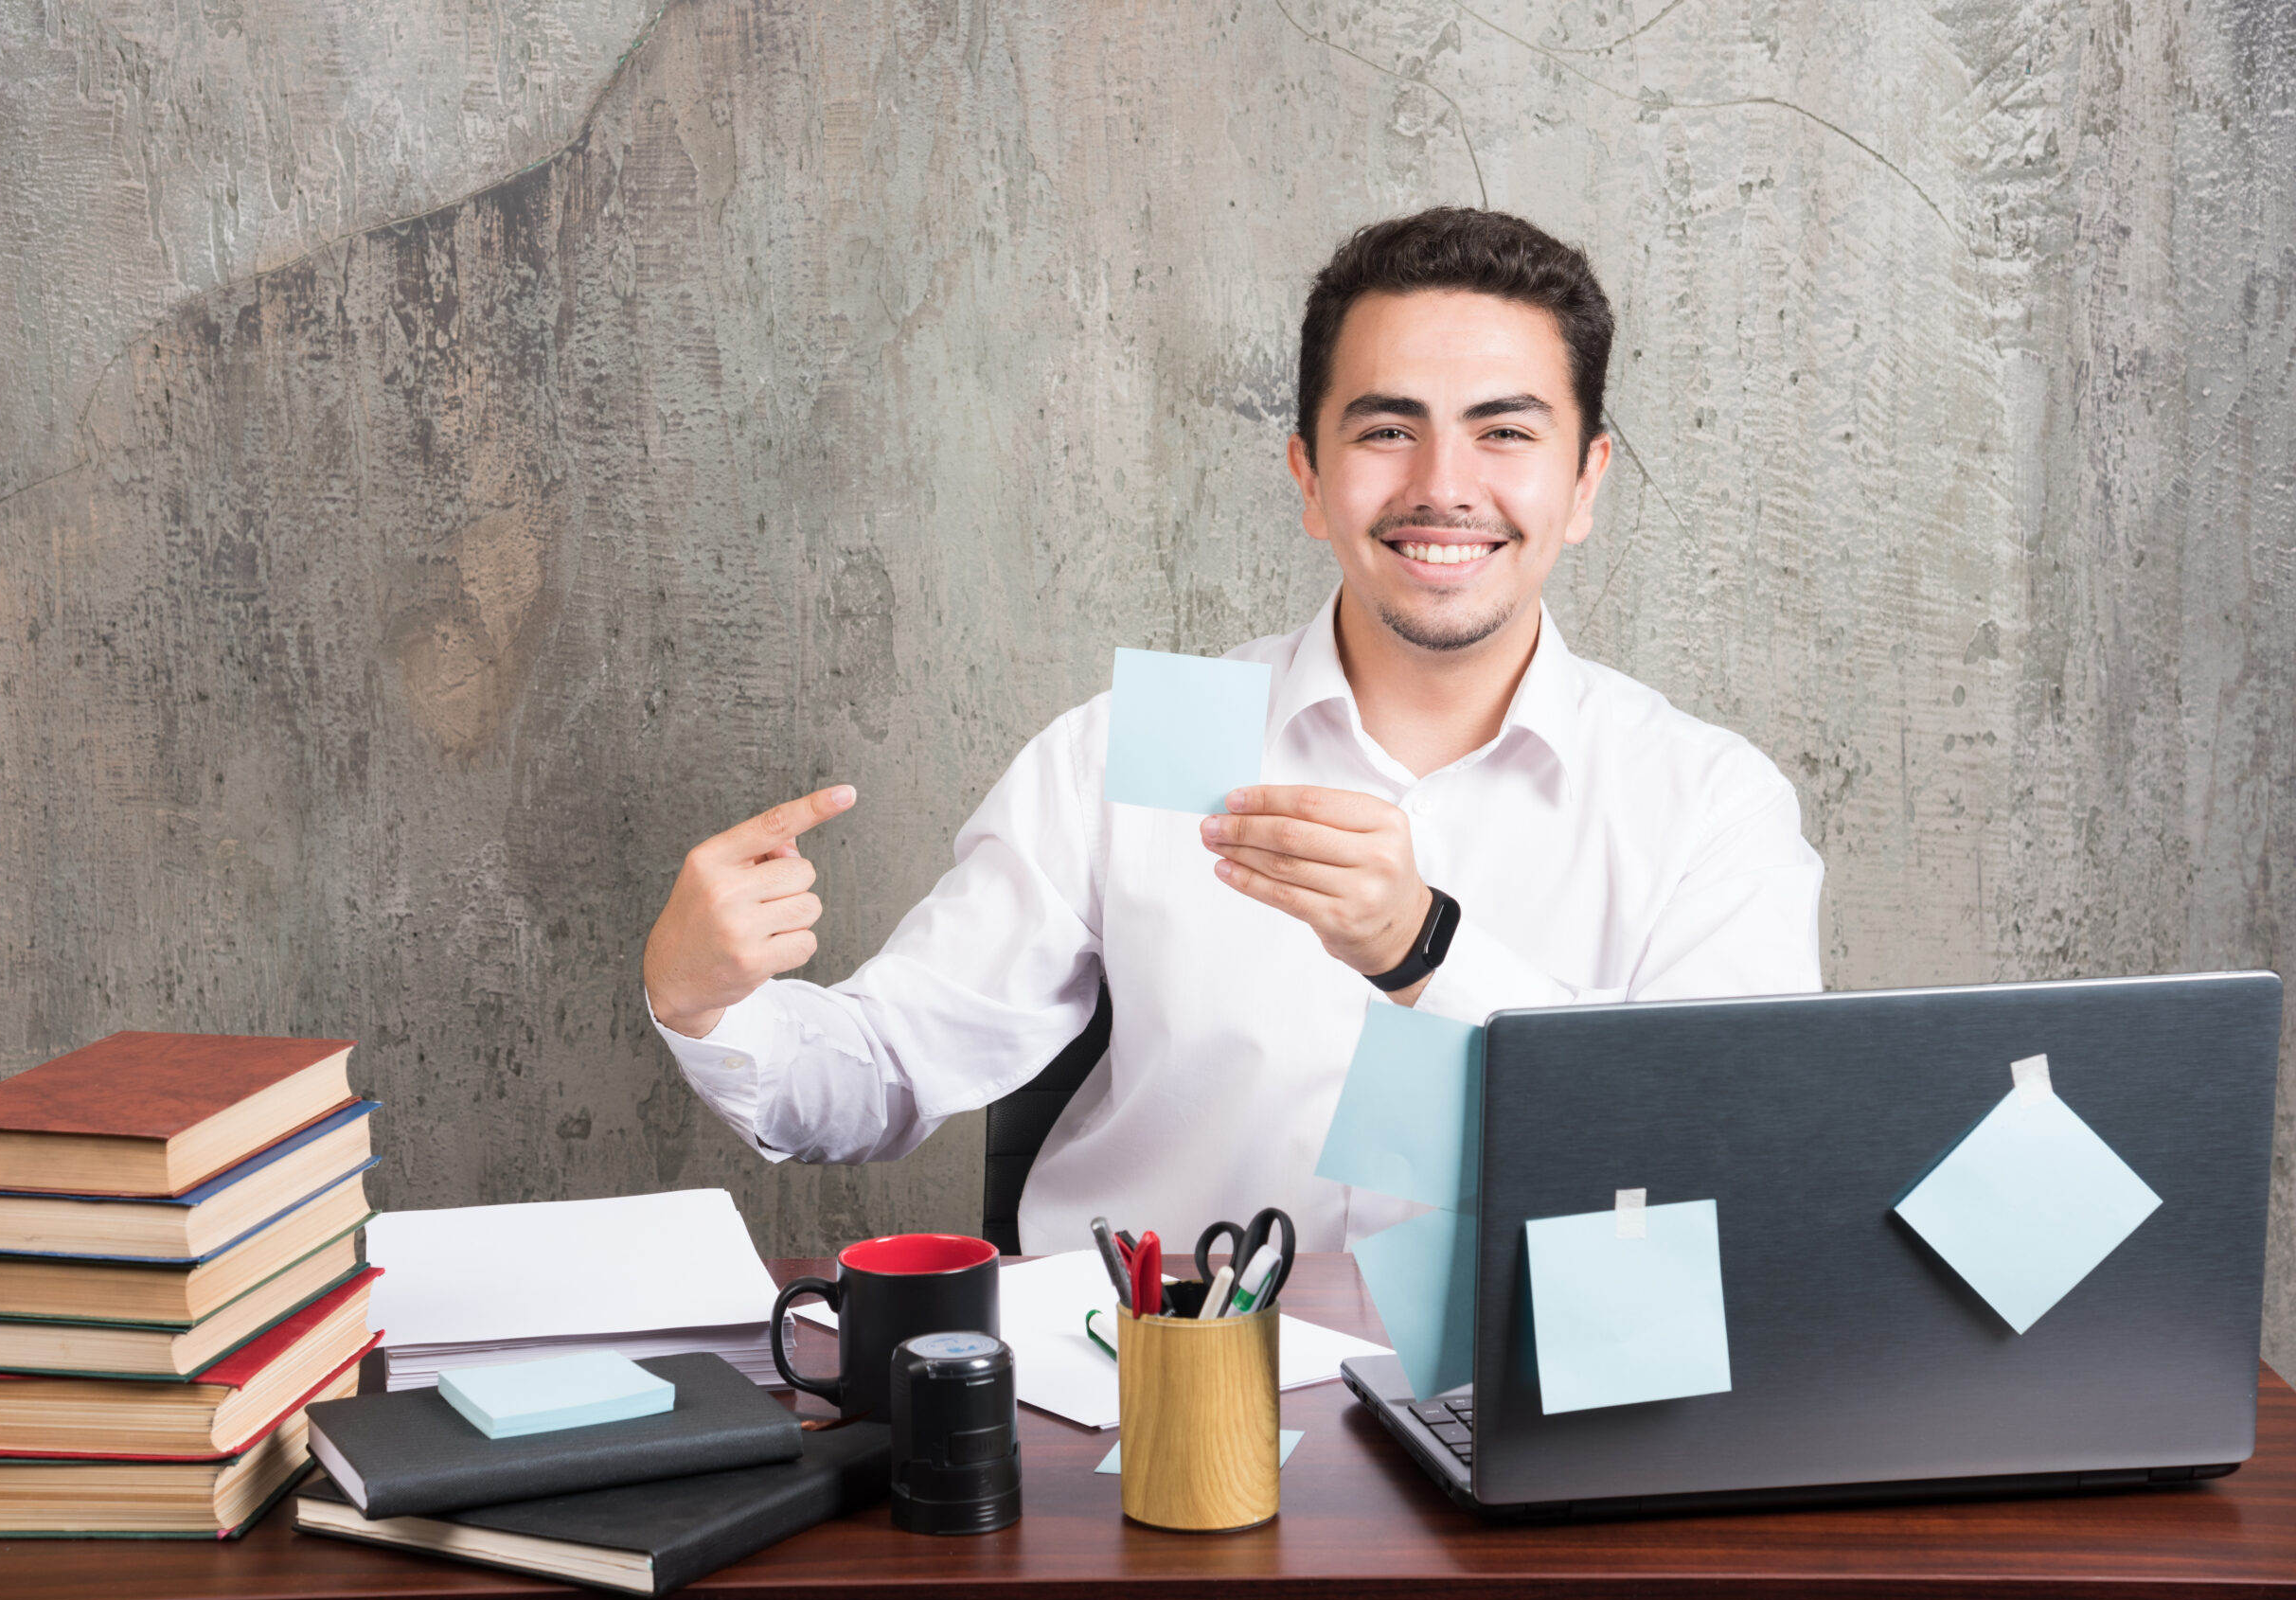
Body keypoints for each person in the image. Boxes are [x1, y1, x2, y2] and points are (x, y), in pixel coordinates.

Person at [643, 207, 1824, 1254]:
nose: (1442, 484)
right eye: (1384, 430)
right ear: (1309, 478)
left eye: (1505, 433)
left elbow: (1722, 1154)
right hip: (1137, 1395)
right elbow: (887, 1069)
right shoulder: (1155, 739)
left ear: (1584, 485)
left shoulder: (1702, 797)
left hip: (1524, 1405)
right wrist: (707, 1000)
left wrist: (1426, 950)